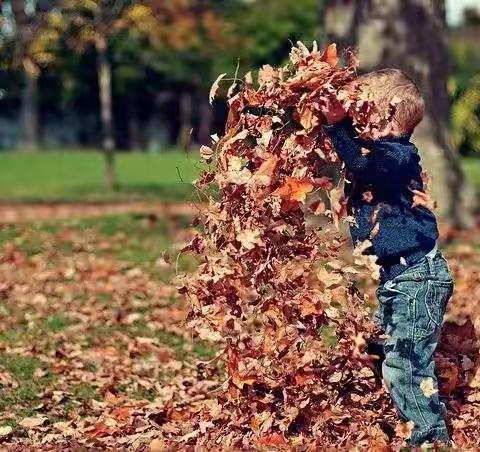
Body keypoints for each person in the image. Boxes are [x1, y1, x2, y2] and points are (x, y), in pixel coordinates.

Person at [322, 69, 454, 447]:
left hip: (418, 278)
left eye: (363, 114)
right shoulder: (383, 154)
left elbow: (363, 166)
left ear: (386, 117)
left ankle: (429, 436)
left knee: (407, 365)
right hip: (400, 278)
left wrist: (337, 128)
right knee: (386, 346)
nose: (356, 120)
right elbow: (358, 164)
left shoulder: (396, 156)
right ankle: (401, 412)